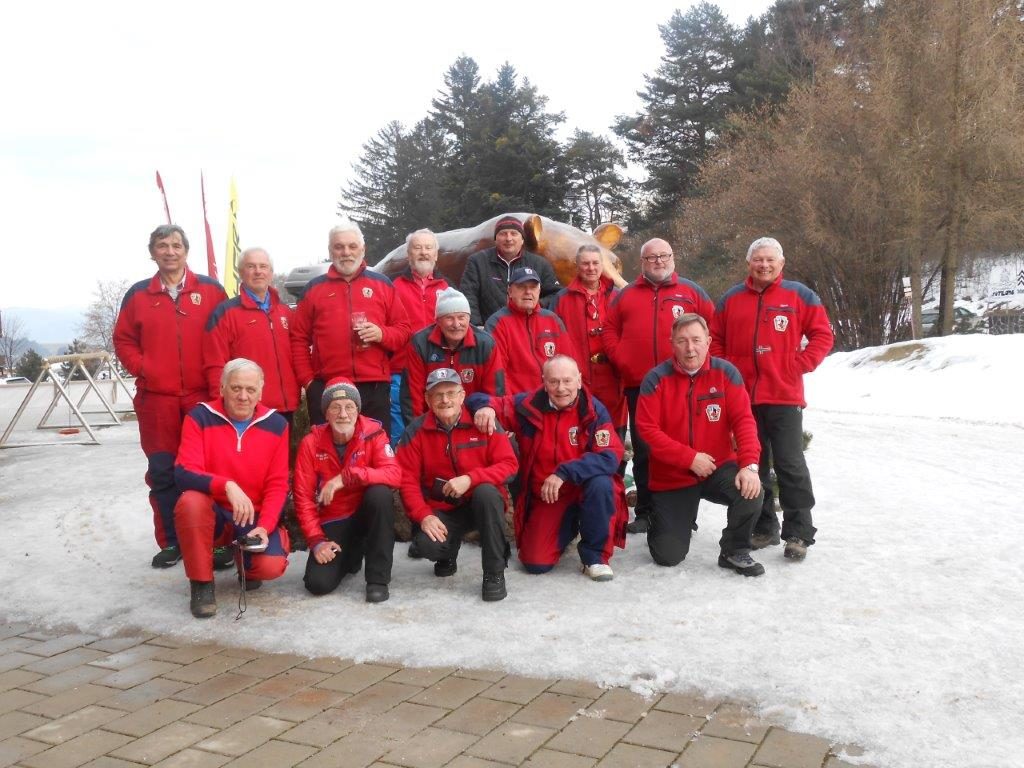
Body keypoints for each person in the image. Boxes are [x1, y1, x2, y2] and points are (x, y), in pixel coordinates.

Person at [710, 237, 834, 560]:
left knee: (791, 464)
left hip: (784, 395)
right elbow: (716, 340)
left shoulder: (799, 295)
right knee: (754, 464)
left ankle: (799, 532)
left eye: (770, 260)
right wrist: (727, 373)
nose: (763, 265)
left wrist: (799, 365)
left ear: (781, 264)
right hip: (743, 399)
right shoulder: (731, 298)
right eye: (758, 260)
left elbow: (823, 335)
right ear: (748, 263)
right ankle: (765, 526)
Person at [113, 224, 227, 568]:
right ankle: (172, 542)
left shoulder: (210, 290)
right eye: (162, 245)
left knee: (210, 470)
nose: (170, 251)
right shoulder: (138, 295)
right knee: (163, 472)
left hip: (201, 398)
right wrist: (144, 367)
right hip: (156, 400)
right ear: (153, 253)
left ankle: (217, 541)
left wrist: (220, 387)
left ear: (186, 251)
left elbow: (225, 334)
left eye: (176, 245)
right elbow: (123, 340)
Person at [470, 355, 627, 580]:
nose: (561, 388)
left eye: (567, 381)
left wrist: (564, 472)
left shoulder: (594, 410)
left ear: (579, 381)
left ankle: (595, 556)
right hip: (549, 496)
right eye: (553, 381)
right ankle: (569, 526)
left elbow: (610, 456)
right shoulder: (527, 406)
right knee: (535, 563)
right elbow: (478, 398)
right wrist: (485, 408)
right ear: (544, 381)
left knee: (602, 483)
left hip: (584, 489)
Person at [636, 314, 765, 577]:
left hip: (718, 467)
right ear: (672, 343)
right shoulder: (655, 379)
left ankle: (734, 550)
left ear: (708, 341)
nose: (690, 348)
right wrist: (688, 458)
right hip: (673, 475)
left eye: (696, 340)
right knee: (667, 556)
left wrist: (749, 464)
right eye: (682, 341)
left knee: (752, 489)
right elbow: (647, 431)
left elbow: (744, 421)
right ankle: (665, 520)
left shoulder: (726, 373)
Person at [602, 238, 714, 535]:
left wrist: (701, 365)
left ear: (672, 258)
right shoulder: (625, 295)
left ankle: (684, 511)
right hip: (640, 385)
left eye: (664, 256)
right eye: (652, 258)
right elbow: (610, 330)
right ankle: (646, 510)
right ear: (643, 263)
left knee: (683, 447)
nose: (659, 262)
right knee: (644, 449)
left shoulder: (691, 292)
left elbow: (712, 328)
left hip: (683, 383)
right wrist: (621, 359)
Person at [173, 359, 291, 618]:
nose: (243, 396)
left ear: (261, 391)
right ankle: (202, 583)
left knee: (270, 566)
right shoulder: (199, 417)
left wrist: (266, 526)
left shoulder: (277, 425)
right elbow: (183, 472)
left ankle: (244, 563)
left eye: (250, 390)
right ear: (222, 388)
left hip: (252, 518)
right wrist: (225, 484)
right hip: (212, 512)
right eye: (236, 388)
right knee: (190, 501)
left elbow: (278, 484)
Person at [397, 369, 518, 601]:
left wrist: (471, 479)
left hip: (481, 503)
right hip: (443, 509)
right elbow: (406, 480)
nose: (445, 400)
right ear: (427, 399)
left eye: (451, 393)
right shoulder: (416, 431)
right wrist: (424, 516)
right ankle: (447, 553)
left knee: (486, 493)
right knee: (426, 546)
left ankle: (494, 573)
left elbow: (509, 465)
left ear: (462, 396)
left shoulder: (483, 422)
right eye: (438, 394)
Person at [289, 220, 412, 433]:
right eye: (339, 247)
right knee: (327, 454)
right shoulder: (314, 289)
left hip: (374, 387)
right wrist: (308, 383)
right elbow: (298, 338)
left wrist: (381, 333)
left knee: (374, 450)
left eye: (352, 246)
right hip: (327, 386)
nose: (346, 252)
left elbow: (403, 330)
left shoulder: (382, 284)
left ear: (362, 250)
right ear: (330, 251)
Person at [293, 377, 400, 603]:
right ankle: (351, 556)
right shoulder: (311, 443)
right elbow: (303, 497)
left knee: (380, 494)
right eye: (335, 407)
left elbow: (394, 475)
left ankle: (377, 580)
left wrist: (348, 476)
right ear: (326, 413)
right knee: (317, 584)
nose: (343, 414)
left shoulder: (374, 434)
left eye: (349, 407)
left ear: (358, 410)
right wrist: (316, 541)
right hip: (334, 518)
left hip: (366, 513)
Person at [203, 247, 300, 421]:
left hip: (285, 409)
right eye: (251, 266)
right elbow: (215, 364)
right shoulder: (225, 313)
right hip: (246, 409)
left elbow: (298, 353)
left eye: (263, 266)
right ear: (241, 272)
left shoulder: (285, 312)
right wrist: (221, 405)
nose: (258, 272)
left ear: (271, 273)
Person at [550, 244, 627, 445]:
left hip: (613, 379)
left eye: (595, 263)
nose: (591, 268)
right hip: (579, 380)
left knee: (613, 432)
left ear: (602, 266)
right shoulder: (562, 299)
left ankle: (615, 473)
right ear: (577, 266)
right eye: (585, 263)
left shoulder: (617, 297)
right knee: (582, 431)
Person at [400, 287, 505, 424]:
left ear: (469, 318)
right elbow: (412, 397)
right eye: (449, 318)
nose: (456, 324)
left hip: (474, 423)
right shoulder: (420, 344)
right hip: (432, 424)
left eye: (461, 317)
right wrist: (417, 432)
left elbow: (494, 394)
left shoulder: (485, 344)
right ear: (437, 320)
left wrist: (489, 420)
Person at [389, 229, 450, 445]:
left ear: (436, 254)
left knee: (439, 427)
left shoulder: (447, 289)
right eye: (417, 248)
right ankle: (399, 476)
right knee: (401, 431)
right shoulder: (393, 288)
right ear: (408, 254)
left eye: (428, 248)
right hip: (401, 370)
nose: (423, 252)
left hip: (438, 370)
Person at [485, 266, 575, 395]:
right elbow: (497, 374)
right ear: (510, 292)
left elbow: (569, 363)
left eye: (533, 287)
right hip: (518, 404)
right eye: (521, 287)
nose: (528, 292)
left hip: (554, 400)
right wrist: (510, 406)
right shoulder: (497, 323)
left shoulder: (552, 320)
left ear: (539, 292)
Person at [459, 215, 561, 327]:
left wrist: (535, 303)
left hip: (528, 329)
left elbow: (555, 295)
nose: (508, 239)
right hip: (489, 331)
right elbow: (468, 296)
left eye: (514, 233)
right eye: (503, 234)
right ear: (495, 239)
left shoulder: (540, 264)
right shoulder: (477, 261)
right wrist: (477, 328)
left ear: (522, 239)